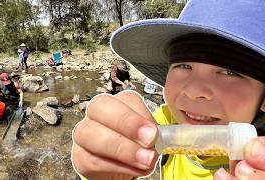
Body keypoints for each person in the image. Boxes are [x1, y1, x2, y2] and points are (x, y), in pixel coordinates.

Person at [71, 0, 265, 179]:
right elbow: (113, 150)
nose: (193, 90)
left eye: (230, 72)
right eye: (183, 65)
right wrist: (103, 165)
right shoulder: (164, 122)